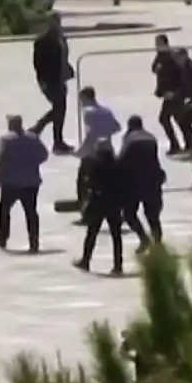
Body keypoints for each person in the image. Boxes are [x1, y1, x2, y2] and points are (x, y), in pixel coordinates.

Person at [0, 114, 49, 252]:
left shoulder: (5, 140)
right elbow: (44, 155)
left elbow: (0, 159)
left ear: (10, 125)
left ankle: (2, 237)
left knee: (5, 209)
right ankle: (34, 242)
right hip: (31, 182)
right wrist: (32, 163)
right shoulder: (33, 138)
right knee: (31, 212)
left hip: (11, 182)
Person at [73, 139, 124, 275]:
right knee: (116, 236)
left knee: (92, 233)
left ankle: (86, 260)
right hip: (114, 202)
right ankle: (118, 265)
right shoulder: (118, 165)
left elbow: (90, 182)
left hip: (99, 202)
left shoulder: (95, 164)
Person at [118, 115, 165, 252]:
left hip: (134, 182)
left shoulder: (130, 139)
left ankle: (144, 239)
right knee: (153, 216)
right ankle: (157, 244)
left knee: (129, 214)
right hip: (152, 180)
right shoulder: (151, 137)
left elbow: (122, 160)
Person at [75, 86, 121, 223]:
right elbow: (116, 127)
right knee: (109, 183)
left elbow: (91, 133)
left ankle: (86, 213)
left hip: (92, 153)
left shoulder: (87, 112)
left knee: (84, 184)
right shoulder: (106, 111)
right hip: (108, 149)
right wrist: (105, 133)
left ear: (84, 97)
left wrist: (82, 150)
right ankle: (116, 211)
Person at [31, 12, 75, 154]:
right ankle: (41, 129)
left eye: (58, 21)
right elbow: (38, 64)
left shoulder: (61, 38)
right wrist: (42, 80)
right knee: (59, 108)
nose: (57, 24)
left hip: (60, 77)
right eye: (54, 21)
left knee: (60, 110)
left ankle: (55, 139)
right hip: (49, 79)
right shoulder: (42, 41)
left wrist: (67, 69)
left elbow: (64, 56)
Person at [152, 34, 187, 154]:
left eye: (158, 43)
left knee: (166, 118)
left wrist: (175, 92)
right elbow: (154, 68)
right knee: (178, 118)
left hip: (174, 93)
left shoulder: (171, 56)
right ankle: (182, 143)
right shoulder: (160, 55)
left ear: (165, 43)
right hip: (167, 93)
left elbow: (177, 74)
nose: (156, 46)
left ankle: (178, 144)